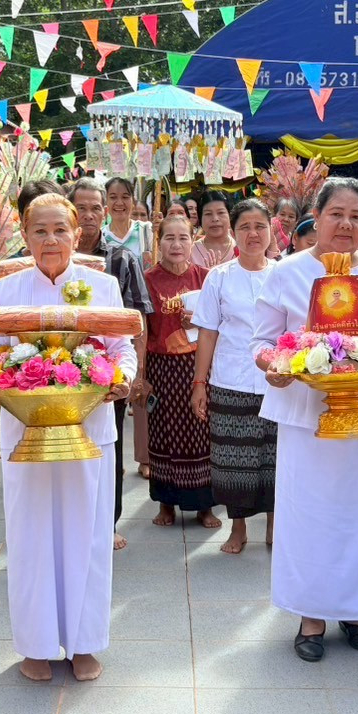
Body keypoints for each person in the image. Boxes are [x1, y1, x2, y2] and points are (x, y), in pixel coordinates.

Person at [253, 177, 358, 661]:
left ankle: (357, 609)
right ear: (316, 218)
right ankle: (310, 616)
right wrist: (278, 367)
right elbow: (260, 343)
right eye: (336, 214)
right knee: (311, 517)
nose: (346, 224)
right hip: (307, 419)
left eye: (356, 216)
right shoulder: (285, 274)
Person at [0, 193, 136, 682]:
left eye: (60, 230)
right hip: (25, 429)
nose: (51, 240)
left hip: (88, 427)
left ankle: (86, 642)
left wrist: (120, 378)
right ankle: (36, 645)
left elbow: (122, 347)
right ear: (25, 236)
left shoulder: (101, 285)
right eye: (40, 231)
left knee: (88, 535)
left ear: (77, 233)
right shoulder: (6, 291)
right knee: (29, 536)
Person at [69, 178, 153, 550]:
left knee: (108, 448)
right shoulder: (55, 256)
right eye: (81, 207)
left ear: (104, 213)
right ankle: (70, 521)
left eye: (95, 208)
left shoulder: (121, 258)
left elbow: (138, 320)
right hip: (57, 374)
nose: (88, 215)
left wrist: (138, 373)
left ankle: (109, 521)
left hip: (107, 375)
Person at [191, 200, 276, 553]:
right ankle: (238, 528)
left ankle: (275, 526)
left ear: (271, 231)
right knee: (232, 460)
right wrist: (199, 383)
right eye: (245, 227)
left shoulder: (285, 274)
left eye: (260, 226)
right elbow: (208, 332)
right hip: (231, 380)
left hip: (278, 382)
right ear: (234, 232)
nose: (253, 234)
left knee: (276, 458)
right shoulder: (219, 277)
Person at [139, 215, 216, 528]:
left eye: (183, 238)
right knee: (164, 432)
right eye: (169, 238)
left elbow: (217, 323)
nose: (176, 244)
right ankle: (166, 503)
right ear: (159, 242)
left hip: (197, 365)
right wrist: (141, 374)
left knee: (201, 432)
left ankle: (205, 506)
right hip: (162, 366)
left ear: (193, 240)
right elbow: (142, 330)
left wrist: (197, 322)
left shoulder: (206, 277)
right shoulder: (148, 279)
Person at [102, 177, 153, 261]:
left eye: (125, 197)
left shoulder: (146, 230)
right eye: (113, 197)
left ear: (133, 202)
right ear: (106, 201)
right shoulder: (101, 236)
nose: (119, 203)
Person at [192, 191, 237, 269]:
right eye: (208, 214)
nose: (215, 219)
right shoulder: (190, 251)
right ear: (200, 218)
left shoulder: (242, 249)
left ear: (230, 216)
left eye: (221, 212)